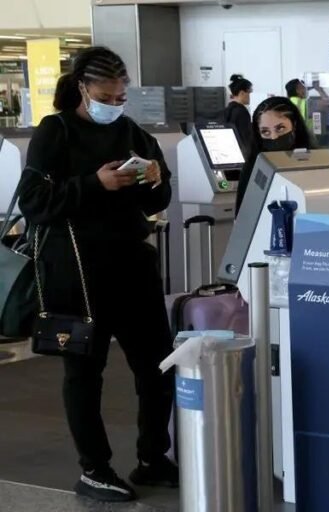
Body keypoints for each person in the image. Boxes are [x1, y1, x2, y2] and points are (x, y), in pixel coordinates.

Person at [18, 46, 178, 502]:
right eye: (106, 95)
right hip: (76, 271)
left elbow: (155, 202)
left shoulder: (131, 132)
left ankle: (152, 455)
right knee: (85, 372)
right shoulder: (56, 132)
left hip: (131, 264)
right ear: (83, 89)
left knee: (156, 365)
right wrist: (95, 183)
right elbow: (34, 202)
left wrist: (153, 178)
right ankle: (94, 467)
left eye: (121, 95)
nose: (115, 103)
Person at [235, 96, 315, 213]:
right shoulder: (253, 169)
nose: (273, 137)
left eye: (280, 128)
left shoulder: (317, 163)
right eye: (265, 132)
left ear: (295, 125)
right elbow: (241, 217)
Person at [225, 73, 253, 154]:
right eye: (250, 92)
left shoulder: (228, 109)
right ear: (242, 93)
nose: (251, 96)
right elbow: (246, 138)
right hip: (241, 154)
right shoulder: (242, 112)